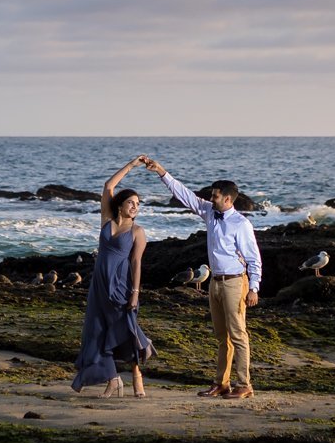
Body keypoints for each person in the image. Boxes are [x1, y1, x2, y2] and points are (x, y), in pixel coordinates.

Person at [143, 157, 261, 399]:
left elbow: (254, 258)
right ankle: (221, 383)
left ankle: (245, 384)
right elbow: (186, 195)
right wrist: (162, 172)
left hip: (236, 282)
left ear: (227, 199)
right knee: (221, 336)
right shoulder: (209, 212)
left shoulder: (241, 224)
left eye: (216, 196)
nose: (211, 199)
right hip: (215, 282)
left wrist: (254, 288)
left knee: (238, 334)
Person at [71, 155, 156, 398]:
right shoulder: (106, 221)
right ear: (119, 205)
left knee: (124, 331)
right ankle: (113, 379)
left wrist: (135, 293)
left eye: (138, 204)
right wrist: (131, 165)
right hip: (98, 286)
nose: (135, 206)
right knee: (96, 332)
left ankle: (137, 375)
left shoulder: (138, 232)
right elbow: (109, 186)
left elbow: (136, 263)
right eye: (131, 202)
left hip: (121, 287)